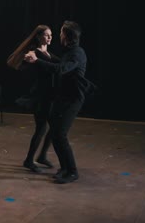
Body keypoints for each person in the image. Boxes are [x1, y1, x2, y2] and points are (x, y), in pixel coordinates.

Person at [26, 20, 95, 184]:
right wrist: (42, 57)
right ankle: (64, 168)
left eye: (61, 32)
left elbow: (60, 69)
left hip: (73, 99)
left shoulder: (77, 53)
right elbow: (59, 64)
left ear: (68, 36)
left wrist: (37, 60)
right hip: (64, 98)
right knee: (55, 134)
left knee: (60, 134)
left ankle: (72, 171)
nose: (58, 35)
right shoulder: (69, 52)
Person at [7, 25, 58, 173]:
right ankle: (29, 160)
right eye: (47, 35)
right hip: (41, 97)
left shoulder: (47, 53)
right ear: (38, 36)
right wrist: (25, 58)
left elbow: (59, 65)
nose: (50, 38)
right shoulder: (35, 53)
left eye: (51, 35)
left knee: (53, 128)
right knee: (42, 129)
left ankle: (41, 156)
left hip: (50, 97)